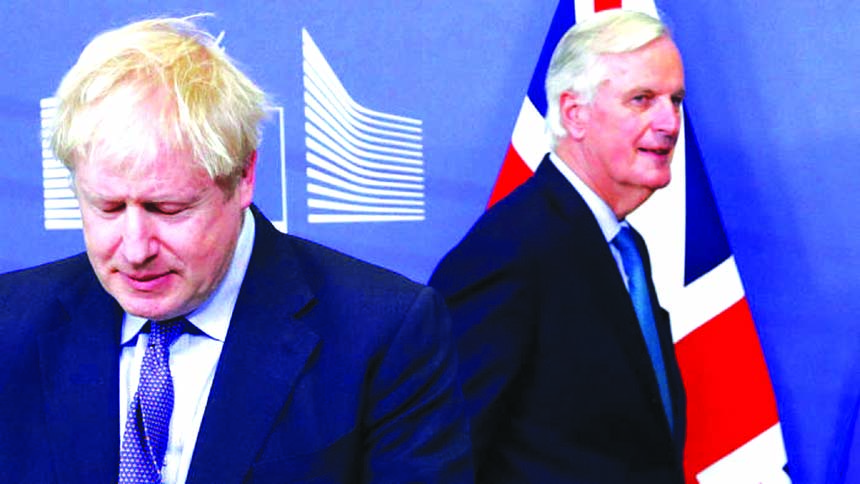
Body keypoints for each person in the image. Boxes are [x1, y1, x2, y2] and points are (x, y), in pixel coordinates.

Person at [0, 15, 472, 483]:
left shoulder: (384, 335)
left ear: (243, 176)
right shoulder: (11, 321)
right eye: (107, 207)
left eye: (167, 208)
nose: (135, 248)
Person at [430, 9, 687, 483]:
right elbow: (450, 452)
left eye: (675, 100)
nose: (669, 122)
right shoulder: (510, 251)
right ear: (574, 113)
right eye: (642, 99)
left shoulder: (625, 247)